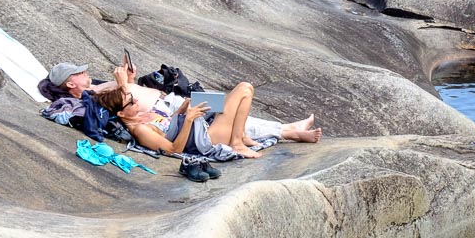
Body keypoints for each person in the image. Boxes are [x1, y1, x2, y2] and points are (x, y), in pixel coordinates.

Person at [56, 58, 320, 147]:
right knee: (227, 111)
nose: (84, 73)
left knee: (229, 106)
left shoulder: (96, 84)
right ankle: (289, 131)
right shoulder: (86, 98)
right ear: (70, 84)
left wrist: (131, 78)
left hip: (172, 101)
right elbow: (121, 104)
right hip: (166, 110)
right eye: (78, 73)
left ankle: (287, 128)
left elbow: (130, 92)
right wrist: (124, 84)